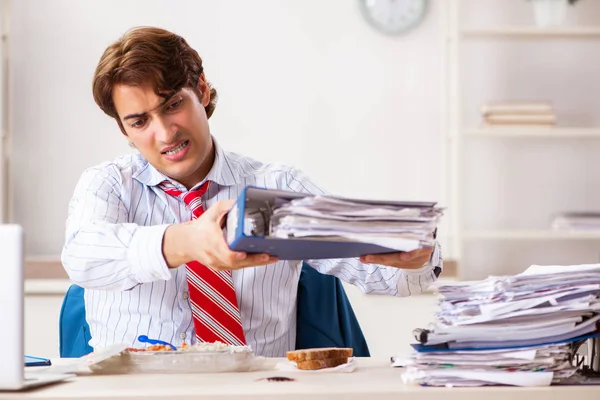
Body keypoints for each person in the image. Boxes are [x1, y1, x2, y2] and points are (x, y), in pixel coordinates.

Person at [61, 26, 443, 357]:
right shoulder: (110, 184)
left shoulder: (275, 187)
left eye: (173, 104)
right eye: (140, 121)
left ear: (202, 90)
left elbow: (397, 279)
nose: (165, 133)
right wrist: (187, 241)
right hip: (138, 391)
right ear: (124, 131)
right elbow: (82, 257)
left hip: (257, 387)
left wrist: (416, 256)